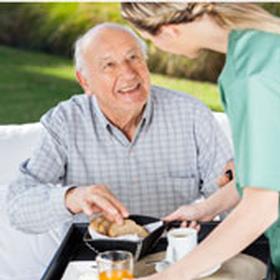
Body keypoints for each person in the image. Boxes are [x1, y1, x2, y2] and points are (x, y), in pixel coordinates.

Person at [6, 23, 232, 237]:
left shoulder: (191, 114)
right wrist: (73, 198)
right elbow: (19, 209)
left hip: (173, 254)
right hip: (94, 260)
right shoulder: (65, 123)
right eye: (109, 65)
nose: (128, 73)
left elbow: (232, 195)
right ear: (85, 81)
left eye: (133, 58)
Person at [121, 2, 280, 279]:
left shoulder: (250, 74)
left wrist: (168, 276)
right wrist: (206, 208)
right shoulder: (264, 45)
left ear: (169, 31)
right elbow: (270, 164)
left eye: (149, 41)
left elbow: (262, 207)